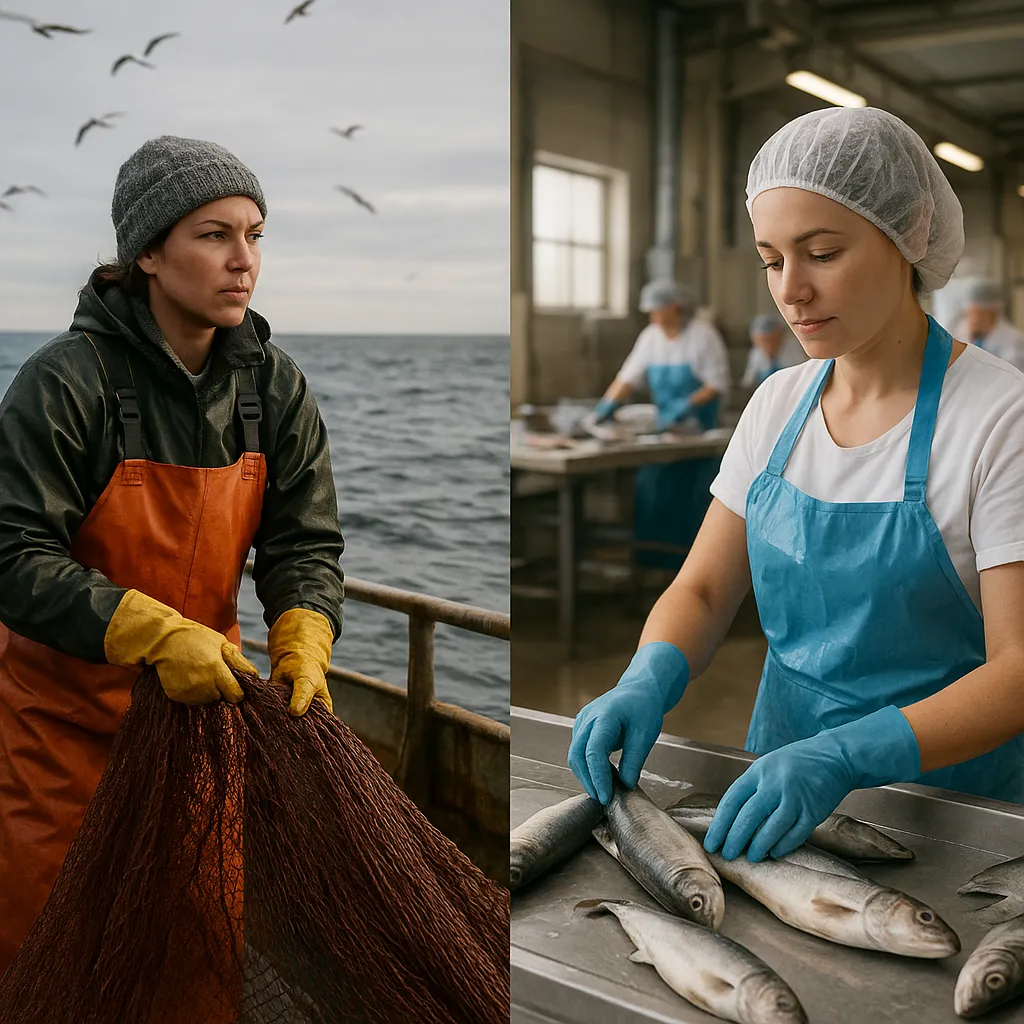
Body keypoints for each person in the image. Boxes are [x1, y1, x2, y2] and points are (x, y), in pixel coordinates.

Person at [569, 106, 1024, 866]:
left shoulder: (999, 417)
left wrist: (843, 755)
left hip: (953, 815)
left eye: (821, 252)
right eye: (772, 260)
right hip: (773, 791)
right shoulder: (779, 404)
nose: (792, 291)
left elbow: (1017, 671)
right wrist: (649, 672)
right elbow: (707, 591)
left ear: (910, 232)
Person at [0, 136, 346, 974]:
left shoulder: (275, 387)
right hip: (61, 740)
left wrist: (305, 626)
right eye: (213, 234)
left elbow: (304, 540)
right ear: (148, 253)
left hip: (201, 727)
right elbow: (12, 551)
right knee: (57, 959)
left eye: (255, 235)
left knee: (194, 953)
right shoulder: (64, 382)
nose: (243, 261)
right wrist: (151, 632)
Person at [593, 280, 732, 569]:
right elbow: (627, 378)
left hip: (698, 438)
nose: (652, 315)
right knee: (651, 491)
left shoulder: (703, 336)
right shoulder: (650, 338)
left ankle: (694, 569)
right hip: (662, 435)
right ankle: (652, 565)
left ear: (676, 307)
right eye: (650, 311)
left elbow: (716, 384)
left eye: (657, 309)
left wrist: (686, 406)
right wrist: (607, 405)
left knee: (692, 500)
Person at [957, 279, 1024, 372]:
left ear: (993, 313)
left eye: (979, 313)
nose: (974, 320)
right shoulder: (958, 333)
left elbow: (1012, 376)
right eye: (970, 313)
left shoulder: (1014, 341)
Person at [742, 312, 805, 388]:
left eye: (767, 340)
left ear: (778, 336)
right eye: (759, 342)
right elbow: (748, 381)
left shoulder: (794, 349)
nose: (764, 346)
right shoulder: (756, 353)